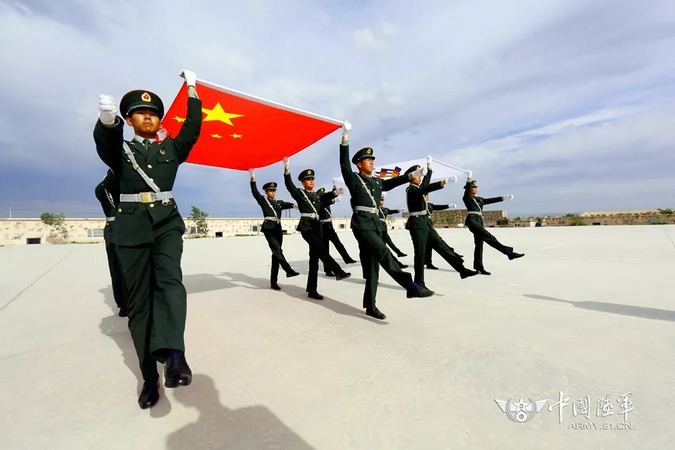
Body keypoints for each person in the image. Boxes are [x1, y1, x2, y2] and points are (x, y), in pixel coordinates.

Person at [94, 70, 201, 409]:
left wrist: (193, 89)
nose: (148, 117)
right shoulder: (121, 151)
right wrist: (107, 124)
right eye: (140, 113)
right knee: (140, 305)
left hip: (166, 224)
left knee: (170, 282)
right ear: (129, 120)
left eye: (153, 113)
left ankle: (174, 355)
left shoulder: (172, 148)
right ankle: (149, 377)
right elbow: (106, 146)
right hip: (131, 229)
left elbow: (193, 128)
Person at [339, 122, 434, 320]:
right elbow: (344, 164)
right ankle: (410, 285)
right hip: (362, 225)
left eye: (372, 160)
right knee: (384, 252)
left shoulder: (376, 181)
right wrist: (344, 139)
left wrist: (410, 176)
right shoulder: (354, 179)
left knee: (373, 267)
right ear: (359, 164)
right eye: (367, 160)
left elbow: (390, 183)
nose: (371, 162)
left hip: (375, 224)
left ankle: (370, 306)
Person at [283, 158, 351, 300]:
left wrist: (335, 193)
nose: (311, 181)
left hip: (317, 226)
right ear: (303, 183)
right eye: (308, 179)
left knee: (314, 260)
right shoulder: (300, 194)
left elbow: (326, 196)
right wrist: (286, 168)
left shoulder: (317, 195)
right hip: (307, 227)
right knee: (321, 249)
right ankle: (338, 271)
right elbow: (289, 186)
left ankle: (312, 290)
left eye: (312, 179)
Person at [405, 159, 478, 289]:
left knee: (442, 246)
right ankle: (419, 283)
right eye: (418, 175)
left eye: (420, 175)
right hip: (417, 224)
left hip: (426, 223)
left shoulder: (418, 188)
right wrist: (443, 182)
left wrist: (429, 168)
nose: (420, 178)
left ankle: (462, 270)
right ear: (412, 177)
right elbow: (426, 187)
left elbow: (426, 183)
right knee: (420, 254)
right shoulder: (411, 189)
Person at [248, 169, 300, 290]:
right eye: (270, 190)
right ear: (266, 192)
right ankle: (288, 270)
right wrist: (252, 178)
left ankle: (273, 282)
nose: (273, 192)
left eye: (274, 190)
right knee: (277, 250)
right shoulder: (263, 200)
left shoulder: (278, 203)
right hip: (269, 228)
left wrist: (294, 205)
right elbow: (254, 192)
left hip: (277, 228)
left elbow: (286, 204)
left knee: (276, 255)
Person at [462, 173, 524, 275]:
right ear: (469, 189)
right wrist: (469, 179)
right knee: (489, 237)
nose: (475, 189)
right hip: (472, 220)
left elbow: (490, 200)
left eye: (476, 187)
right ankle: (509, 253)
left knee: (479, 244)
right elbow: (467, 191)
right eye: (473, 187)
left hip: (479, 220)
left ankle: (479, 267)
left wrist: (503, 198)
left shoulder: (479, 199)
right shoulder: (467, 198)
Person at [94, 169, 128, 317]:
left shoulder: (105, 187)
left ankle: (128, 303)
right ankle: (125, 303)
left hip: (120, 228)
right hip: (117, 228)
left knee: (123, 269)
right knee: (120, 269)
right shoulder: (105, 188)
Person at [317, 186, 357, 277]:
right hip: (323, 226)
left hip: (329, 226)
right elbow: (324, 203)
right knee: (326, 249)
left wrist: (334, 190)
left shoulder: (326, 200)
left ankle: (347, 258)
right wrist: (333, 200)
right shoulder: (319, 202)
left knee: (338, 243)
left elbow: (330, 196)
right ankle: (327, 270)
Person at [423, 195, 461, 270]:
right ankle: (452, 254)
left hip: (428, 224)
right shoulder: (418, 204)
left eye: (427, 196)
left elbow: (438, 207)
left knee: (429, 245)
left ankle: (428, 263)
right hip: (422, 225)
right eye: (426, 196)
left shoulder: (430, 205)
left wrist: (448, 206)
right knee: (432, 243)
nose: (427, 197)